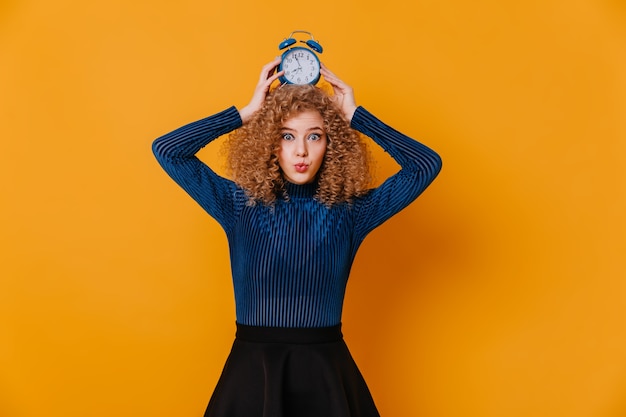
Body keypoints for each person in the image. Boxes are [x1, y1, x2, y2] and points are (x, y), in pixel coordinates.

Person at [152, 57, 442, 417]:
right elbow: (167, 150)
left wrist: (355, 116)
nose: (301, 151)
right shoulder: (238, 205)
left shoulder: (351, 212)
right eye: (286, 136)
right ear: (269, 143)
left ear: (331, 144)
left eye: (314, 136)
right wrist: (246, 113)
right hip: (251, 378)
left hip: (326, 379)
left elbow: (425, 165)